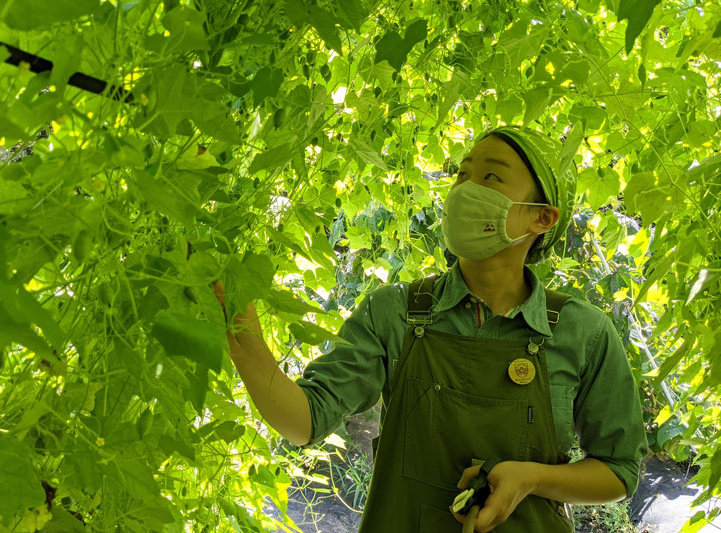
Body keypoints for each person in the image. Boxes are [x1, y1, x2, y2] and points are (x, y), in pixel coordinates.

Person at [213, 125, 649, 532]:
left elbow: (619, 471)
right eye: (462, 173)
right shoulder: (394, 313)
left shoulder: (583, 332)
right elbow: (303, 421)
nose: (465, 188)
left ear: (541, 218)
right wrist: (242, 329)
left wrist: (530, 479)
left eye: (491, 177)